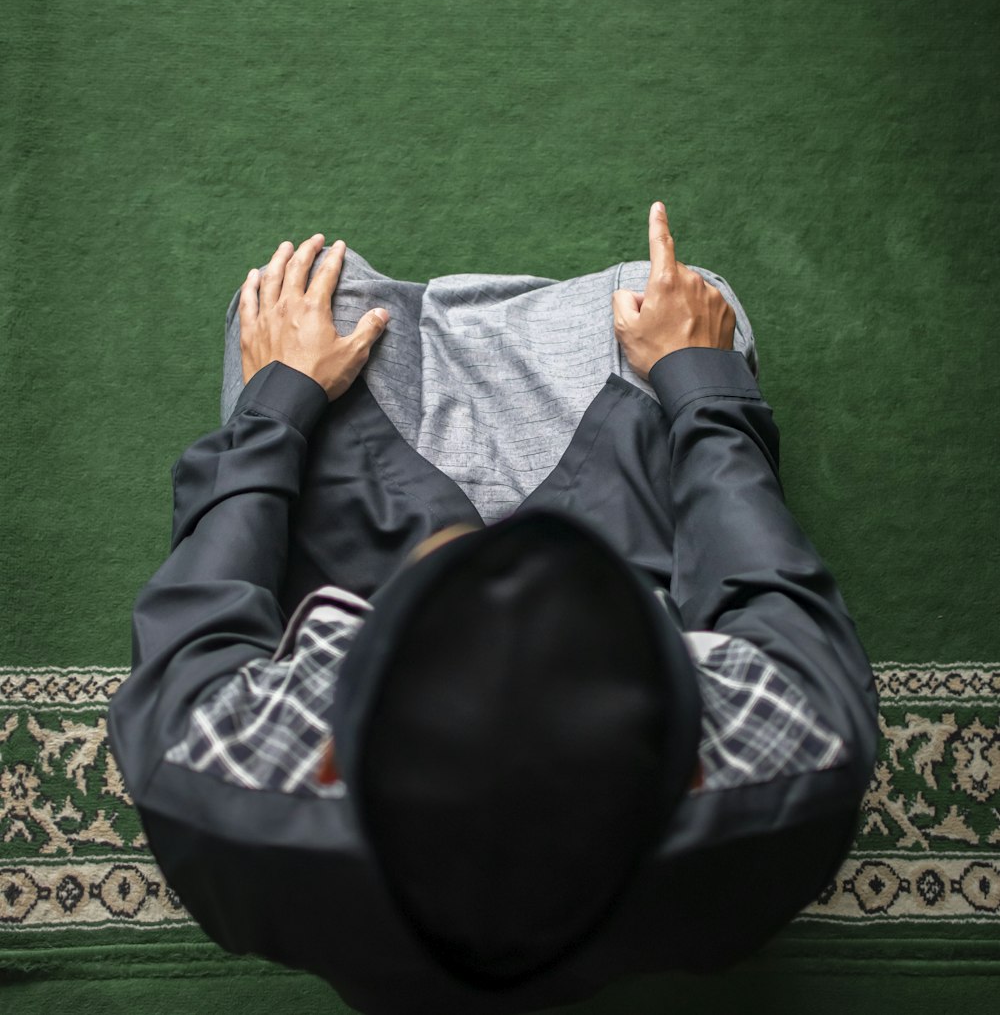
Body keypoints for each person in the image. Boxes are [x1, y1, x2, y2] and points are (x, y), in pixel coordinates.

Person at [106, 202, 879, 1015]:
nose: (476, 540)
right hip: (621, 544)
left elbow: (202, 601)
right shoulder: (803, 758)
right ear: (694, 757)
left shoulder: (206, 773)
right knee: (687, 304)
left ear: (327, 749)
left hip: (394, 542)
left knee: (293, 312)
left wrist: (276, 408)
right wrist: (701, 383)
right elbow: (770, 589)